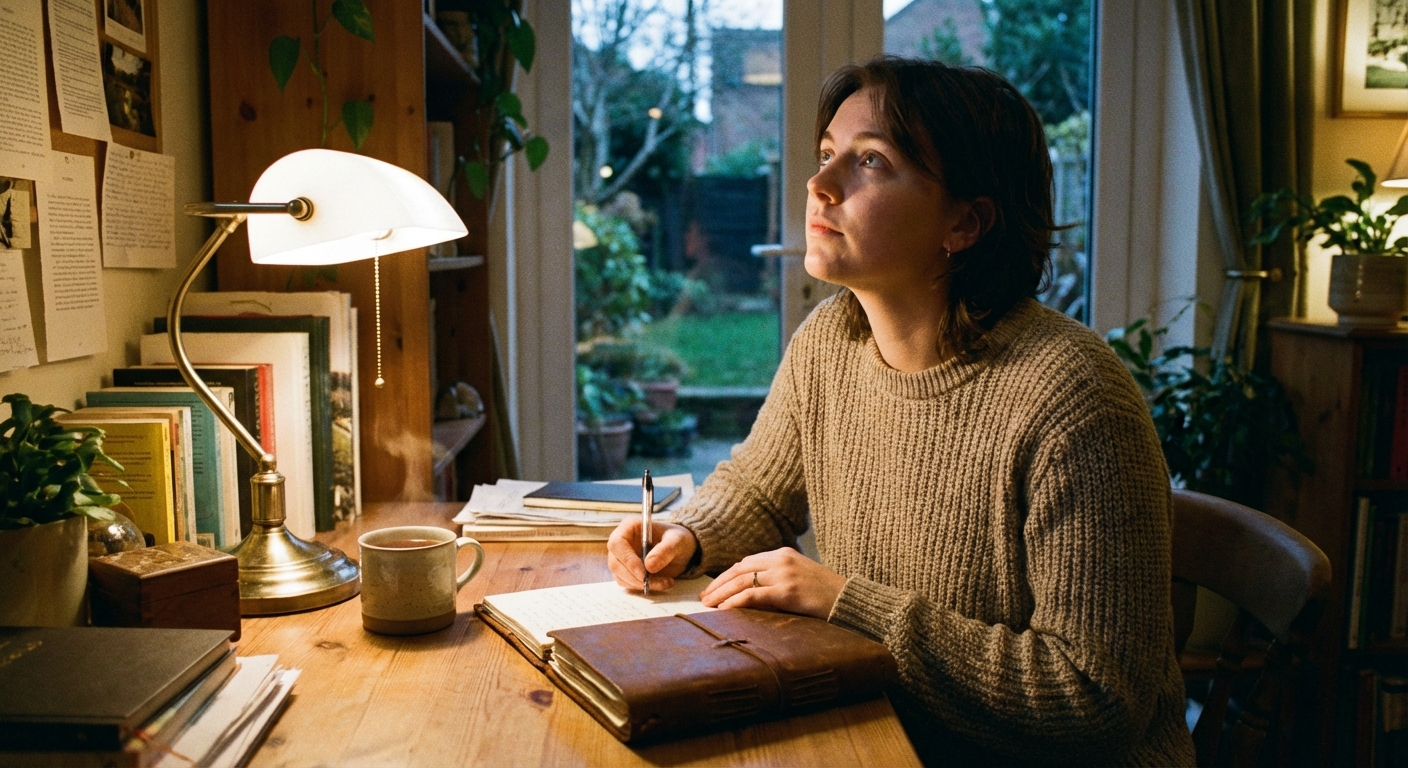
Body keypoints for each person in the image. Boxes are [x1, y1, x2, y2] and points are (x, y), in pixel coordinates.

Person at [606, 56, 1195, 766]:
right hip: (885, 734)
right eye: (828, 154)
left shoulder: (1074, 398)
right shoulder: (831, 340)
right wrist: (687, 535)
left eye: (871, 162)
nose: (819, 185)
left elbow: (1095, 697)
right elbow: (761, 489)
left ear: (965, 223)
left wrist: (849, 605)